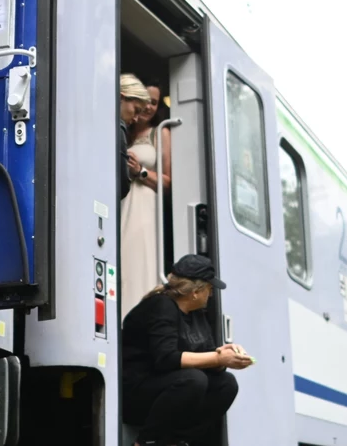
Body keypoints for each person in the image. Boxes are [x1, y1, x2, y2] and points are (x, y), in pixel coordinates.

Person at [122, 255, 251, 446]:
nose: (212, 294)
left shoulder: (196, 314)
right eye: (210, 288)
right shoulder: (161, 306)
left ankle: (178, 441)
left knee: (226, 384)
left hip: (168, 392)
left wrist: (226, 356)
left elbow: (208, 355)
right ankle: (146, 441)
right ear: (196, 292)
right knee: (193, 379)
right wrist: (218, 359)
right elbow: (165, 358)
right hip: (135, 394)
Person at [120, 79, 171, 322]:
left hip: (144, 206)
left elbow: (169, 182)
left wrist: (140, 171)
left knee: (138, 260)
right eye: (146, 102)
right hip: (122, 201)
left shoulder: (160, 132)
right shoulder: (123, 128)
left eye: (154, 103)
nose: (149, 107)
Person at [119, 74, 152, 201]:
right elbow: (122, 186)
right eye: (136, 110)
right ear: (121, 98)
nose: (136, 119)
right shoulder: (119, 127)